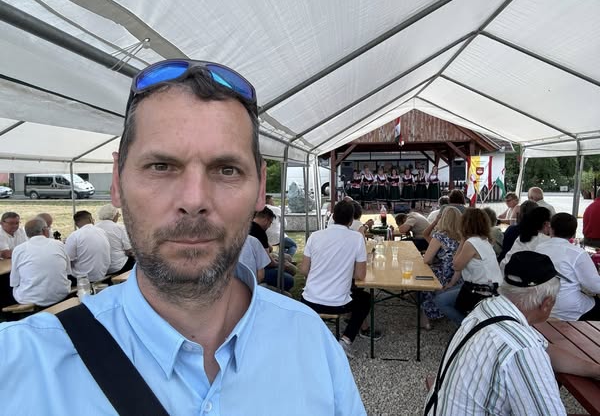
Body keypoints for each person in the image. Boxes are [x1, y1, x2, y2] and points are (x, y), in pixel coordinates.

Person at [0, 60, 365, 414]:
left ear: (259, 191)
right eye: (161, 166)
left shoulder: (311, 341)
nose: (194, 200)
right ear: (117, 183)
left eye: (227, 169)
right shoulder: (20, 365)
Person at [425, 251, 600, 415]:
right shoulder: (522, 348)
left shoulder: (488, 307)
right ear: (546, 303)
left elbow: (544, 349)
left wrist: (595, 370)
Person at [300, 200, 375, 358]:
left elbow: (304, 270)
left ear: (333, 217)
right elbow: (360, 276)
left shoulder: (315, 236)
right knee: (365, 299)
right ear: (351, 220)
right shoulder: (356, 238)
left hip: (308, 300)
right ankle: (346, 340)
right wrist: (344, 272)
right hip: (338, 304)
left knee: (358, 297)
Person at [435, 208, 502, 324]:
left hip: (481, 290)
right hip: (492, 287)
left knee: (441, 300)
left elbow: (456, 266)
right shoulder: (484, 240)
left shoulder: (471, 243)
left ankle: (468, 326)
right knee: (445, 292)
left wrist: (462, 239)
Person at [537, 213, 600, 320]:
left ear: (551, 229)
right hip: (568, 309)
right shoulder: (578, 253)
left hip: (542, 305)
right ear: (574, 233)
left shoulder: (539, 248)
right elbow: (595, 286)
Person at [10, 218, 71, 307]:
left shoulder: (18, 250)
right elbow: (68, 271)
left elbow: (14, 281)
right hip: (61, 294)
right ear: (44, 230)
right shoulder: (59, 244)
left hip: (30, 299)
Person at [421, 206, 462, 329]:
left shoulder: (440, 236)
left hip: (445, 275)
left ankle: (426, 317)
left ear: (442, 219)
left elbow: (426, 260)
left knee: (421, 277)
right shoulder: (462, 236)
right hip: (459, 276)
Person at [249, 207, 294, 291]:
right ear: (266, 219)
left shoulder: (246, 226)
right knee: (289, 279)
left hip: (246, 268)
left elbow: (269, 249)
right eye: (270, 223)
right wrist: (280, 265)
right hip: (255, 271)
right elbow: (267, 262)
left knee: (286, 261)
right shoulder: (259, 232)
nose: (269, 226)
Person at [499, 206, 551, 272]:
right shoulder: (547, 241)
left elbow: (504, 263)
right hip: (528, 276)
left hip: (506, 273)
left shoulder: (521, 237)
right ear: (546, 223)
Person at [65, 210, 111, 282]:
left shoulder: (75, 235)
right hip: (102, 274)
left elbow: (67, 260)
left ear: (76, 223)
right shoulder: (102, 232)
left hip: (82, 278)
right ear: (91, 219)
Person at [95, 204, 135, 274]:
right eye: (118, 215)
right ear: (114, 215)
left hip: (101, 267)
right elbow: (129, 251)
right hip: (118, 266)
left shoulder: (95, 227)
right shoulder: (120, 228)